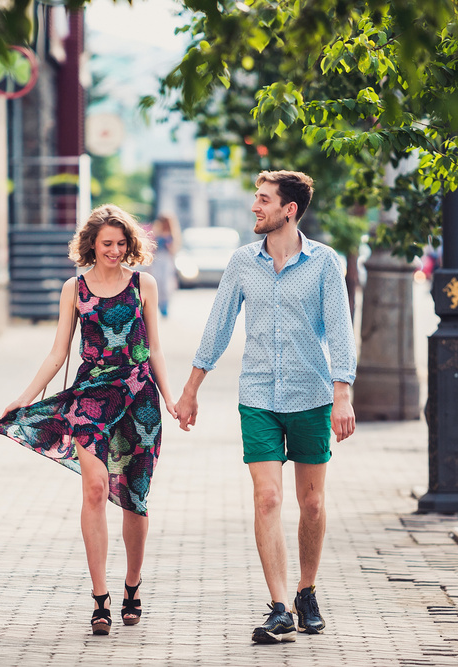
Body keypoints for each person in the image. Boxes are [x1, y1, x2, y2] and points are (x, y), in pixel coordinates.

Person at [173, 170, 357, 645]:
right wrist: (191, 389)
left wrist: (343, 394)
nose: (255, 207)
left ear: (289, 209)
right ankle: (279, 607)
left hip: (311, 397)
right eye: (256, 199)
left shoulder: (324, 263)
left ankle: (306, 591)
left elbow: (339, 332)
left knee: (312, 503)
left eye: (263, 199)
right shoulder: (241, 263)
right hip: (257, 396)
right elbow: (217, 327)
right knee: (268, 498)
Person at [0, 204, 177, 636]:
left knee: (134, 495)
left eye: (121, 243)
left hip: (139, 396)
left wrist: (171, 398)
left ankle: (132, 585)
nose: (114, 251)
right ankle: (100, 598)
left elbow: (155, 349)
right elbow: (58, 353)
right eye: (107, 244)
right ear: (91, 245)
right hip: (90, 398)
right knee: (95, 487)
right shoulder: (73, 289)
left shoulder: (142, 284)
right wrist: (23, 398)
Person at [144, 213, 181, 317]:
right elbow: (152, 248)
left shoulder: (171, 235)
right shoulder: (156, 233)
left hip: (166, 260)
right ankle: (157, 305)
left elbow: (173, 250)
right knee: (157, 282)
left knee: (165, 284)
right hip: (157, 260)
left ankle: (165, 306)